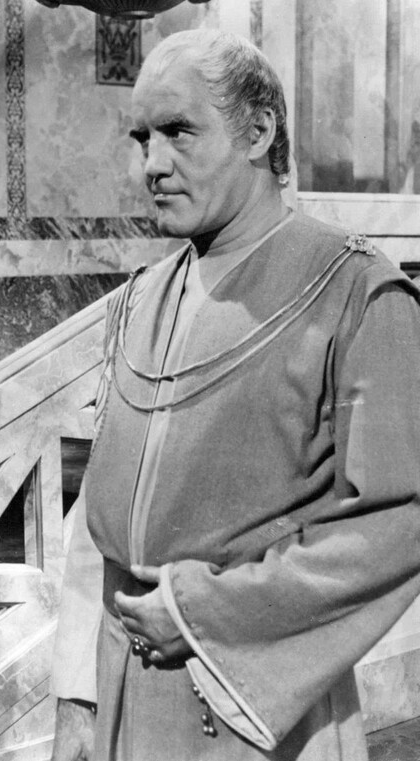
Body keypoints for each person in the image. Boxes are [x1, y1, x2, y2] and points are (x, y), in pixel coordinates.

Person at [51, 28, 420, 761]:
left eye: (178, 131)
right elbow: (97, 526)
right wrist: (77, 699)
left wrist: (201, 612)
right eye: (142, 138)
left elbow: (398, 520)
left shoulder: (356, 293)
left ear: (258, 132)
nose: (152, 164)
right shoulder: (141, 298)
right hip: (123, 693)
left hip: (256, 710)